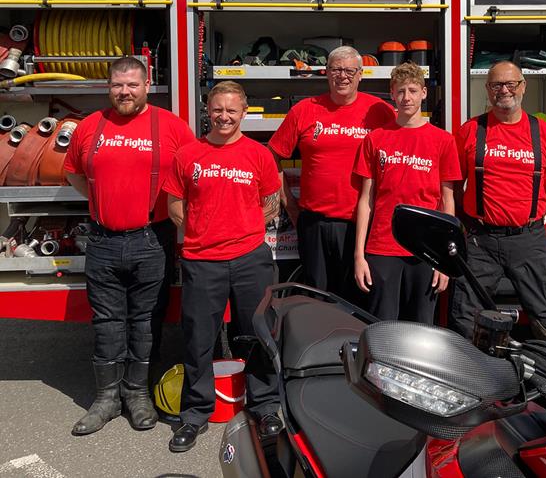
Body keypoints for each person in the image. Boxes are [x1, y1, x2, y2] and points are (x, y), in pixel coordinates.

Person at [64, 56, 195, 436]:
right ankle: (106, 398)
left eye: (132, 85)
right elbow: (73, 171)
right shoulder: (90, 127)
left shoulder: (170, 126)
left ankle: (137, 393)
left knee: (145, 321)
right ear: (109, 87)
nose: (125, 92)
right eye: (118, 85)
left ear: (147, 84)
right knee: (106, 323)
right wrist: (102, 199)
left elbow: (191, 172)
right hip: (103, 240)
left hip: (152, 239)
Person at [164, 81, 282, 452]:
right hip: (202, 260)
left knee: (258, 334)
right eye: (218, 109)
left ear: (244, 112)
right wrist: (206, 231)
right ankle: (196, 414)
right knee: (199, 339)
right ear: (208, 111)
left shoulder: (259, 155)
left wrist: (241, 228)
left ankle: (266, 406)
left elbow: (272, 201)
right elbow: (174, 207)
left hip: (251, 258)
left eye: (232, 110)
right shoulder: (187, 155)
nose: (224, 116)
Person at [449, 61, 546, 342]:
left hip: (529, 239)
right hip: (481, 241)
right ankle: (469, 378)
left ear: (523, 87)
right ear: (488, 90)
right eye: (496, 85)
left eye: (510, 84)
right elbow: (454, 186)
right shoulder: (470, 131)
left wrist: (528, 216)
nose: (504, 90)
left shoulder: (543, 133)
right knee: (465, 316)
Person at [268, 46, 395, 300]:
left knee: (358, 296)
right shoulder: (304, 110)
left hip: (362, 225)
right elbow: (271, 156)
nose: (343, 76)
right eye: (336, 69)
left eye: (350, 70)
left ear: (361, 74)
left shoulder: (379, 111)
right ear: (326, 73)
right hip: (315, 222)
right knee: (316, 297)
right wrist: (288, 203)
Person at [353, 62, 462, 323]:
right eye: (400, 91)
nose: (407, 98)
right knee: (382, 327)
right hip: (382, 248)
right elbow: (366, 199)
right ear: (392, 94)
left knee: (421, 329)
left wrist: (445, 260)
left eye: (413, 90)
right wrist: (359, 254)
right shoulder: (375, 139)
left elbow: (448, 202)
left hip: (425, 250)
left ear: (424, 93)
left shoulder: (442, 140)